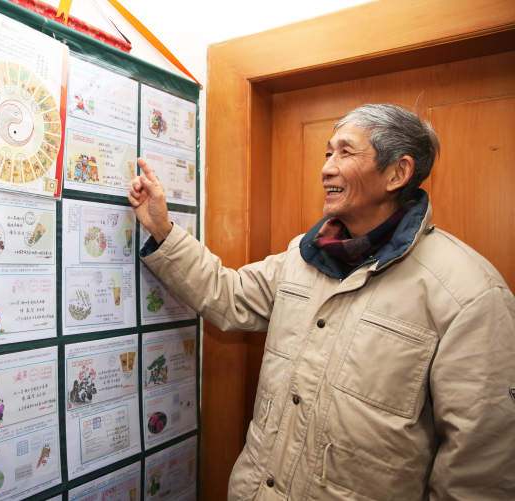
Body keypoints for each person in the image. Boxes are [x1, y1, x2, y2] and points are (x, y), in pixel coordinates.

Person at [129, 104, 515, 500]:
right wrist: (162, 228)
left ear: (397, 173)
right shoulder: (304, 254)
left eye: (345, 152)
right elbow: (227, 295)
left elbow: (479, 471)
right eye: (328, 153)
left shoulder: (468, 293)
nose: (327, 168)